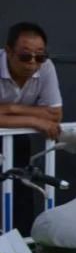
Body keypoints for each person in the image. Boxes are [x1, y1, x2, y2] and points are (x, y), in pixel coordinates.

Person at [1, 22, 63, 237]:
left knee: (22, 193)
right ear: (8, 51)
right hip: (14, 133)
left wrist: (9, 110)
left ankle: (22, 250)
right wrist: (36, 120)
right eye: (26, 57)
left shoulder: (46, 68)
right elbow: (45, 116)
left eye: (40, 56)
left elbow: (55, 114)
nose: (33, 63)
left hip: (15, 139)